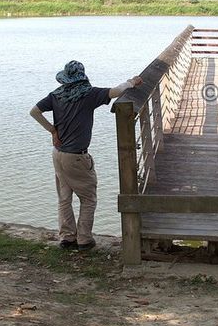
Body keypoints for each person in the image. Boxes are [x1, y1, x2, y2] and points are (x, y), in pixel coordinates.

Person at [30, 61, 142, 251]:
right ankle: (84, 239)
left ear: (66, 78)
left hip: (58, 154)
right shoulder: (89, 94)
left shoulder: (56, 95)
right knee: (88, 198)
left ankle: (67, 238)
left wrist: (53, 131)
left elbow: (34, 112)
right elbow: (116, 91)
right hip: (77, 156)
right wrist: (131, 82)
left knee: (64, 197)